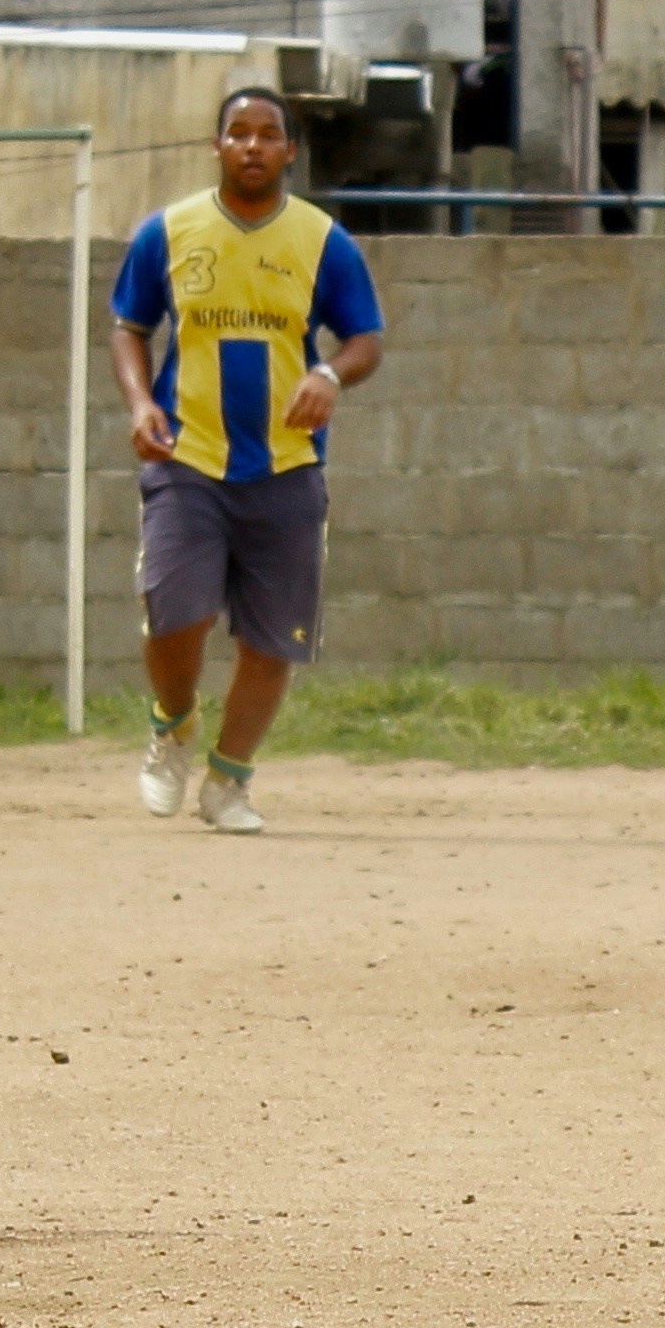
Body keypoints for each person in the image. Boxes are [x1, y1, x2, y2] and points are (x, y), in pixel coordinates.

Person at [112, 84, 385, 834]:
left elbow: (365, 339)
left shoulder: (324, 241)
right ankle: (172, 725)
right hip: (186, 457)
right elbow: (129, 327)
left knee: (273, 639)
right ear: (217, 146)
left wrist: (330, 374)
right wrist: (141, 403)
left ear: (290, 150)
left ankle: (229, 782)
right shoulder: (167, 233)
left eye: (269, 134)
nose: (253, 146)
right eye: (239, 133)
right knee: (175, 610)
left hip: (287, 466)